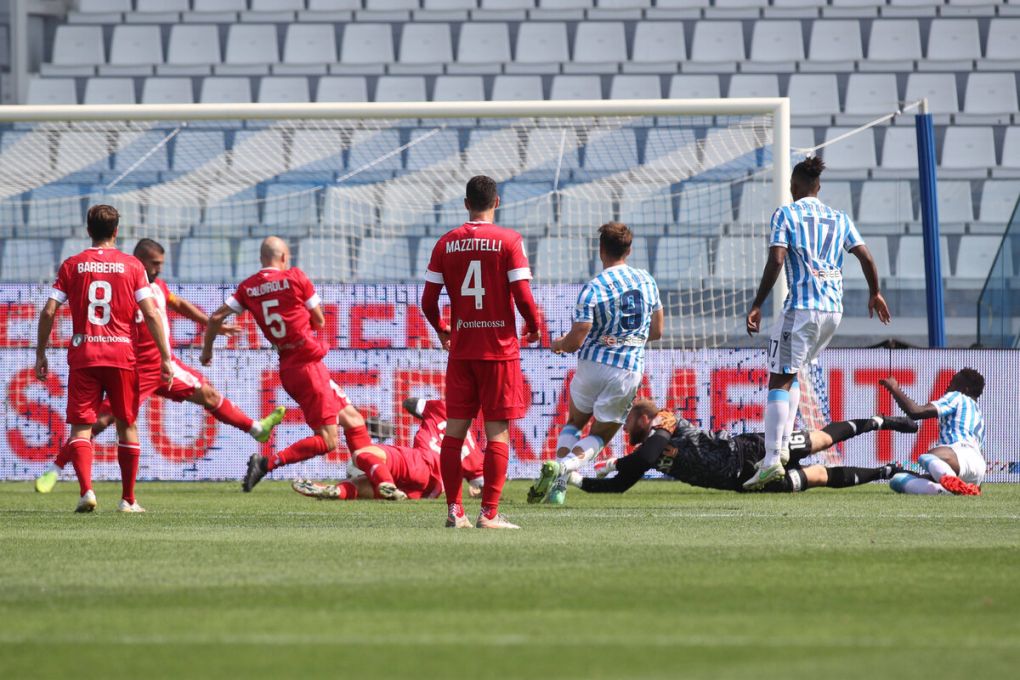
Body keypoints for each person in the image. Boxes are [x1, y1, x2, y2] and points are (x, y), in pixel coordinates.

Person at [34, 239, 286, 496]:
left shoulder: (158, 287)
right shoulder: (129, 284)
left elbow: (177, 304)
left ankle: (257, 428)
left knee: (209, 395)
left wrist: (211, 323)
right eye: (155, 264)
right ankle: (55, 469)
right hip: (140, 368)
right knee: (99, 421)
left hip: (164, 366)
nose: (158, 269)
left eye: (161, 264)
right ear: (140, 260)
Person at [744, 156, 891, 490]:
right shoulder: (839, 218)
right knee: (792, 372)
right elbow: (865, 256)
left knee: (779, 378)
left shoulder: (786, 214)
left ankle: (770, 460)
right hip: (832, 312)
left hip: (802, 308)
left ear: (794, 187)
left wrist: (757, 304)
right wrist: (876, 293)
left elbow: (777, 258)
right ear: (818, 187)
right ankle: (780, 450)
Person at [200, 236, 372, 491]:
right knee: (328, 440)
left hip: (289, 365)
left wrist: (207, 352)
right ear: (283, 257)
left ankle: (376, 479)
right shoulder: (295, 277)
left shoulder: (248, 288)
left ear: (261, 259)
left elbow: (215, 318)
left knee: (353, 419)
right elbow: (320, 321)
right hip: (308, 366)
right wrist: (303, 323)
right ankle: (267, 464)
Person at [421, 175, 542, 529]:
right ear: (497, 202)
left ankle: (454, 511)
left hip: (462, 351)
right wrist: (534, 325)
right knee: (496, 433)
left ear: (465, 203)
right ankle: (489, 513)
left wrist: (443, 329)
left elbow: (428, 302)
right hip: (500, 351)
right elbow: (521, 295)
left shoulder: (446, 243)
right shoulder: (509, 240)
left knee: (454, 432)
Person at [34, 205, 173, 513]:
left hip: (84, 355)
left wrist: (40, 353)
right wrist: (166, 356)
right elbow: (150, 312)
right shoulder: (133, 266)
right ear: (116, 232)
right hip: (122, 355)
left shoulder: (73, 265)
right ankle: (128, 500)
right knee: (127, 424)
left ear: (88, 231)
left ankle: (86, 491)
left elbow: (48, 311)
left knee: (81, 428)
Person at [528, 222, 663, 506]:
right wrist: (629, 339)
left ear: (601, 250)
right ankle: (563, 471)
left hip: (591, 365)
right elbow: (657, 331)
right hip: (626, 370)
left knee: (574, 423)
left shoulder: (593, 288)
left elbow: (578, 338)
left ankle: (558, 485)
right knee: (600, 435)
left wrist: (559, 345)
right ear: (630, 249)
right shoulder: (646, 281)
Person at [572, 399, 917, 495]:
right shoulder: (646, 448)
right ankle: (887, 471)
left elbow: (646, 458)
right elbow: (620, 486)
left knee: (820, 440)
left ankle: (879, 421)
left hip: (750, 451)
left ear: (643, 418)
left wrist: (621, 462)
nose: (624, 426)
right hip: (744, 482)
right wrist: (577, 481)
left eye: (628, 419)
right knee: (819, 476)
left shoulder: (665, 419)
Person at [292, 396, 484, 501]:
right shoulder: (474, 453)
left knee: (362, 452)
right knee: (364, 485)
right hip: (429, 491)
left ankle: (385, 482)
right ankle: (335, 491)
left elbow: (410, 403)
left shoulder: (444, 408)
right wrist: (476, 492)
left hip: (420, 461)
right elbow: (480, 485)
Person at [880, 369, 985, 496]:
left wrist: (894, 387)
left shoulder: (958, 397)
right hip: (976, 469)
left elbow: (915, 411)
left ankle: (949, 483)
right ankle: (949, 489)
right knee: (897, 480)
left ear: (965, 389)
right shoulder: (978, 413)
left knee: (928, 457)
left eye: (953, 383)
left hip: (960, 454)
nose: (949, 387)